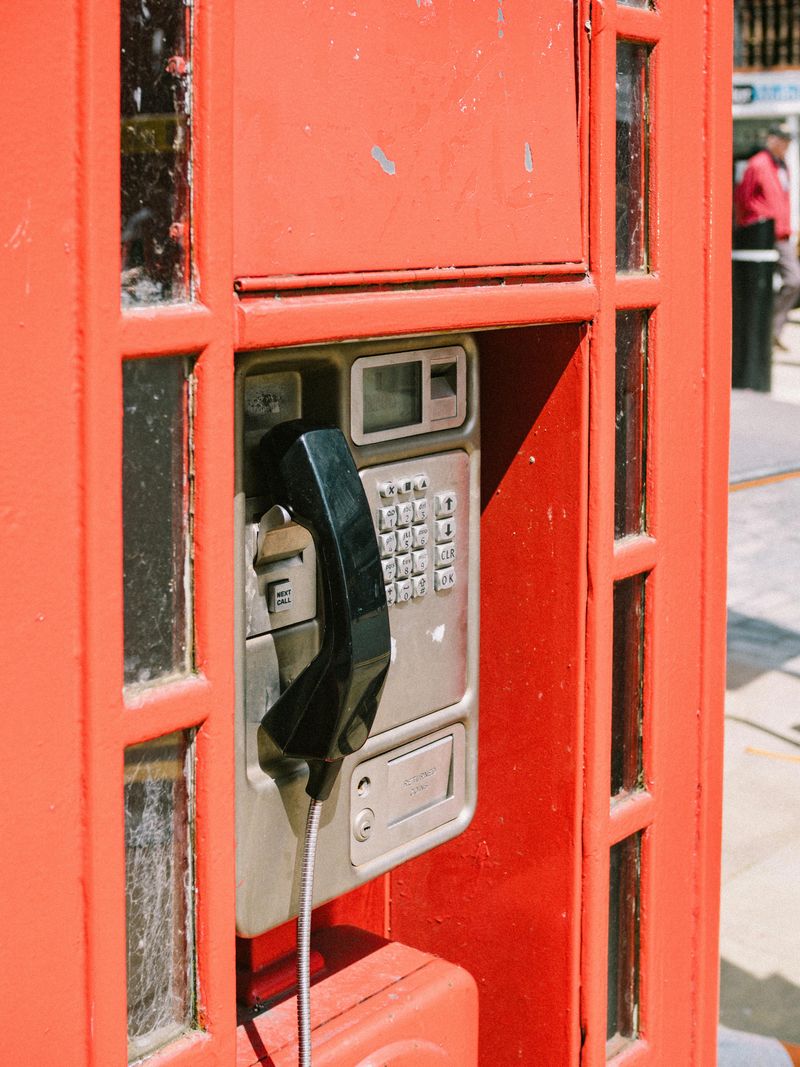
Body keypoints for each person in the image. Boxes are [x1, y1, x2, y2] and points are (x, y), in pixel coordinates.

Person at [734, 126, 800, 351]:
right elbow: (743, 198)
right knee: (760, 287)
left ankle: (771, 330)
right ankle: (762, 333)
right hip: (761, 234)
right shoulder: (758, 164)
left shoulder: (783, 166)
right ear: (771, 140)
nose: (786, 146)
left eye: (788, 142)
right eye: (783, 141)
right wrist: (758, 220)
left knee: (793, 281)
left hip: (781, 234)